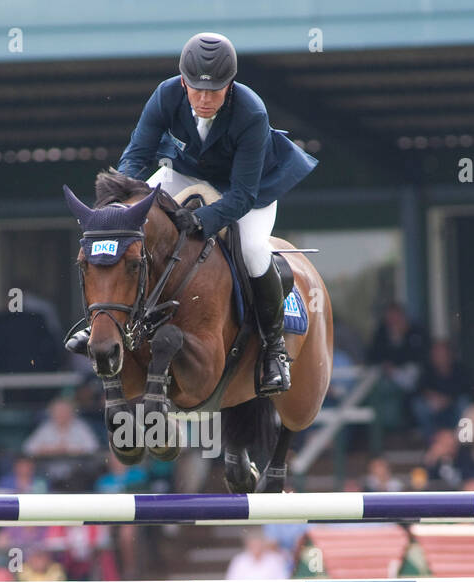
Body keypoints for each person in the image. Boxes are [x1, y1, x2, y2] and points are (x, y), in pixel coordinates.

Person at [65, 32, 318, 397]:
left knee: (253, 251)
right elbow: (136, 157)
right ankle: (101, 321)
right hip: (183, 172)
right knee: (135, 228)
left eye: (214, 91)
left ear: (229, 86)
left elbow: (243, 194)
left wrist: (203, 221)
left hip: (246, 187)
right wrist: (120, 208)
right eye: (196, 89)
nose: (204, 99)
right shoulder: (166, 94)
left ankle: (273, 349)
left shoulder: (251, 112)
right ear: (183, 81)